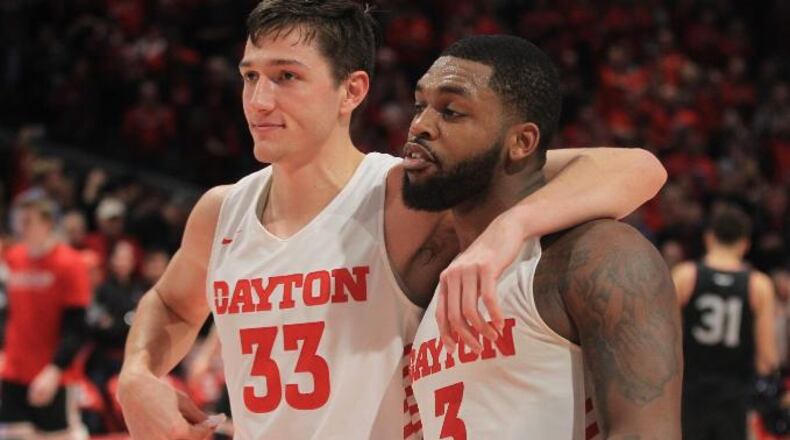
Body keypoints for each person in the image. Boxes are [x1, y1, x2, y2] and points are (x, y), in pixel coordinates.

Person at [117, 1, 668, 439]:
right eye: (250, 76)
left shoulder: (407, 194)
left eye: (286, 77)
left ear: (351, 91)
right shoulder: (222, 211)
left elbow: (634, 168)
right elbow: (169, 304)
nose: (259, 100)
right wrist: (138, 374)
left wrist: (509, 228)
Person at [408, 35, 682, 439]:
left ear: (521, 143)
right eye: (419, 106)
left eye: (450, 111)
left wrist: (512, 224)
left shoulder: (599, 254)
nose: (420, 126)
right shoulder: (442, 278)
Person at [673, 205, 778, 440]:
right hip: (735, 396)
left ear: (709, 237)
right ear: (744, 243)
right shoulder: (758, 285)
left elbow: (667, 341)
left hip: (690, 392)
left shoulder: (685, 276)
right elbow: (767, 357)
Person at [0, 197, 91, 440]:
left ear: (47, 223)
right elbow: (9, 314)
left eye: (27, 221)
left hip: (54, 376)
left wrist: (54, 370)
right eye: (18, 221)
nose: (20, 228)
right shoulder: (14, 258)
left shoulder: (70, 263)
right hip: (14, 372)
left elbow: (76, 328)